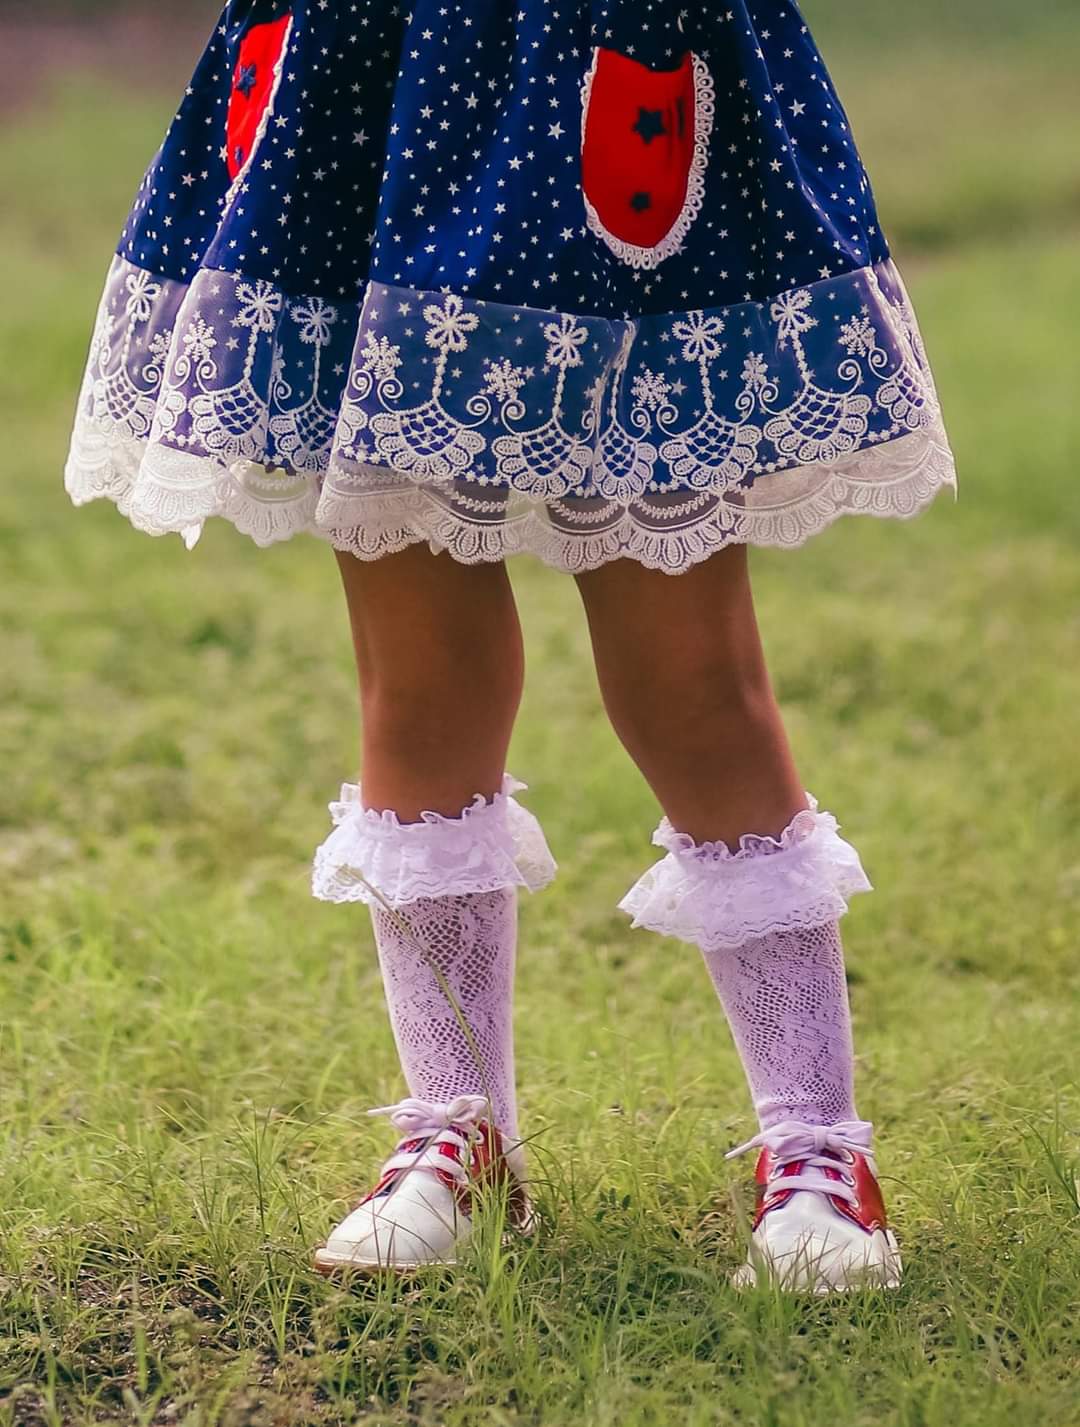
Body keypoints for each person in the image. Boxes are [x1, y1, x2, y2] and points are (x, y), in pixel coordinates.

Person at [65, 0, 956, 1291]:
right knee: (419, 682)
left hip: (604, 57)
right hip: (376, 67)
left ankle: (818, 1149)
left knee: (692, 680)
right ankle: (459, 1136)